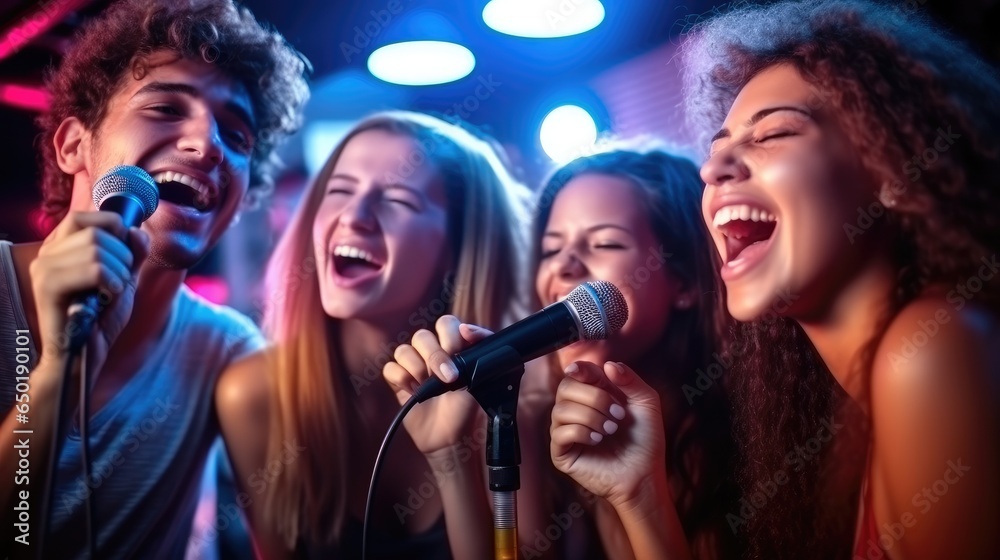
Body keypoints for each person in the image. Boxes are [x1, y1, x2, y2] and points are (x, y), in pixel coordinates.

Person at [555, 1, 1000, 559]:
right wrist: (640, 494)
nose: (713, 170)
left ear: (892, 168)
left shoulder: (932, 348)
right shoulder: (855, 415)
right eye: (716, 154)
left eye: (772, 135)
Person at [0, 0, 308, 557]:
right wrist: (53, 381)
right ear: (73, 145)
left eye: (237, 138)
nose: (208, 143)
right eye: (166, 108)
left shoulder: (228, 351)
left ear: (239, 202)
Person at [214, 110, 531, 559]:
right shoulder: (252, 395)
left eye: (398, 200)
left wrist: (450, 459)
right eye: (340, 191)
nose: (354, 216)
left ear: (458, 251)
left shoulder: (512, 403)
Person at [395, 148, 740, 559]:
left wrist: (640, 497)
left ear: (683, 281)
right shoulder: (534, 432)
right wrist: (449, 455)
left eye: (605, 243)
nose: (565, 267)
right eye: (551, 249)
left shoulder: (750, 432)